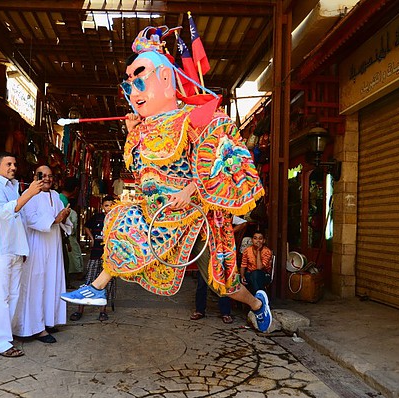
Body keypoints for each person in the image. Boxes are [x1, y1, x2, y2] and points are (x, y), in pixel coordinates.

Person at [61, 27, 272, 332]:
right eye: (128, 85)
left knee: (223, 284)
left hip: (199, 215)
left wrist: (190, 189)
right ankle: (97, 286)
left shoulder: (198, 119)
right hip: (162, 213)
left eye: (140, 79)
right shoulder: (145, 128)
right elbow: (139, 170)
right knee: (123, 223)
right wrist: (133, 131)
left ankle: (256, 303)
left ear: (164, 79)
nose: (133, 92)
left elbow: (221, 164)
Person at [0, 151, 43, 357]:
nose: (13, 168)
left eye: (14, 164)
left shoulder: (14, 187)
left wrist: (23, 248)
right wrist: (29, 194)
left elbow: (21, 219)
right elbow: (4, 212)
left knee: (13, 295)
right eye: (8, 164)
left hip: (15, 248)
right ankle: (1, 342)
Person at [13, 165, 71, 343]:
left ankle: (48, 321)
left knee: (51, 281)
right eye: (42, 175)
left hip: (53, 244)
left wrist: (64, 216)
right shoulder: (29, 195)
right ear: (35, 176)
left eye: (50, 176)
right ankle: (34, 328)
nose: (47, 178)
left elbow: (63, 221)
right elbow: (30, 219)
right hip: (36, 244)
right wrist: (55, 219)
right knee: (35, 284)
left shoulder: (56, 196)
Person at [190, 217, 246, 324]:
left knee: (223, 281)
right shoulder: (201, 215)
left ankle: (225, 313)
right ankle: (199, 310)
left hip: (220, 255)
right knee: (202, 282)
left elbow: (243, 223)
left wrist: (227, 234)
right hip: (205, 254)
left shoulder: (223, 214)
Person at [69, 195, 116, 322]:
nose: (109, 208)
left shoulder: (117, 219)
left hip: (110, 257)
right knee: (88, 281)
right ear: (102, 206)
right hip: (95, 254)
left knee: (106, 284)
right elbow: (86, 226)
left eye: (111, 205)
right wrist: (92, 238)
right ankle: (80, 310)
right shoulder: (97, 217)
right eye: (106, 205)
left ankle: (103, 311)